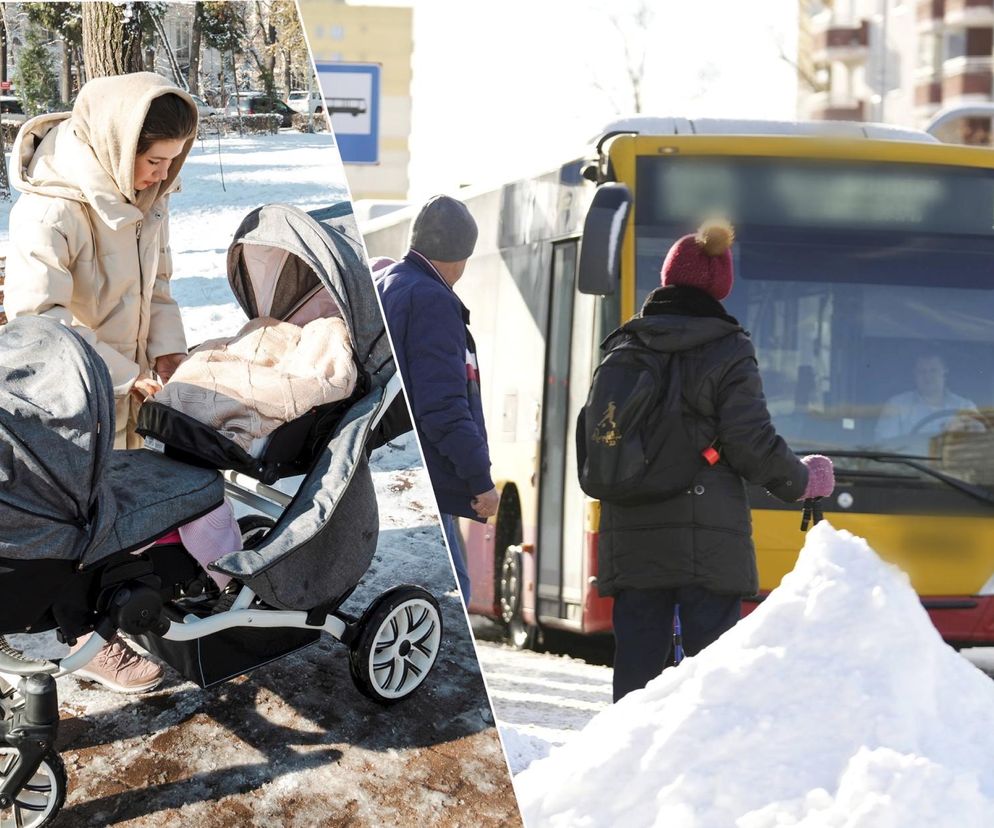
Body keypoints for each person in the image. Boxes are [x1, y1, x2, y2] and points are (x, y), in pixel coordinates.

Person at [5, 72, 201, 693]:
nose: (160, 177)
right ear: (118, 146)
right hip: (69, 395)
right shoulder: (52, 207)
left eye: (172, 163)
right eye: (152, 161)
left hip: (130, 385)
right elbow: (38, 321)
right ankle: (82, 639)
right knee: (75, 522)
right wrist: (122, 375)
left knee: (117, 514)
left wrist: (167, 353)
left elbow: (160, 285)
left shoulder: (150, 198)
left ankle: (119, 609)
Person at [597, 221, 835, 703]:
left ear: (667, 279)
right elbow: (750, 440)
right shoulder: (728, 350)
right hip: (708, 539)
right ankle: (698, 770)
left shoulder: (624, 347)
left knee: (637, 675)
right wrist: (802, 479)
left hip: (633, 532)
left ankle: (624, 770)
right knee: (710, 681)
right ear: (721, 285)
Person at [375, 196, 498, 604]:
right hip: (430, 466)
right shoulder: (433, 300)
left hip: (399, 452)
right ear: (463, 254)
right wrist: (479, 479)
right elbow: (442, 405)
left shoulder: (393, 282)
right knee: (457, 587)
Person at [875, 353, 980, 445]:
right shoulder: (896, 405)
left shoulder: (965, 407)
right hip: (909, 466)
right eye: (922, 372)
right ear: (914, 374)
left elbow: (982, 444)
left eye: (933, 370)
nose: (928, 376)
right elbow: (885, 446)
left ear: (945, 372)